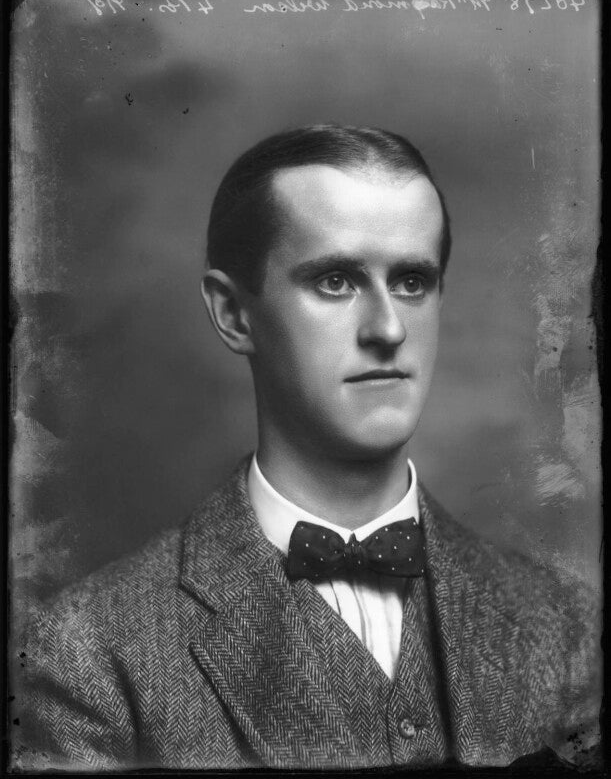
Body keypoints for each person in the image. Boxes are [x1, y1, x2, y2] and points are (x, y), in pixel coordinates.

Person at [14, 125, 601, 771]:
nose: (387, 329)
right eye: (335, 281)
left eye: (411, 281)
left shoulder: (567, 626)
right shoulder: (89, 653)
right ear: (233, 314)